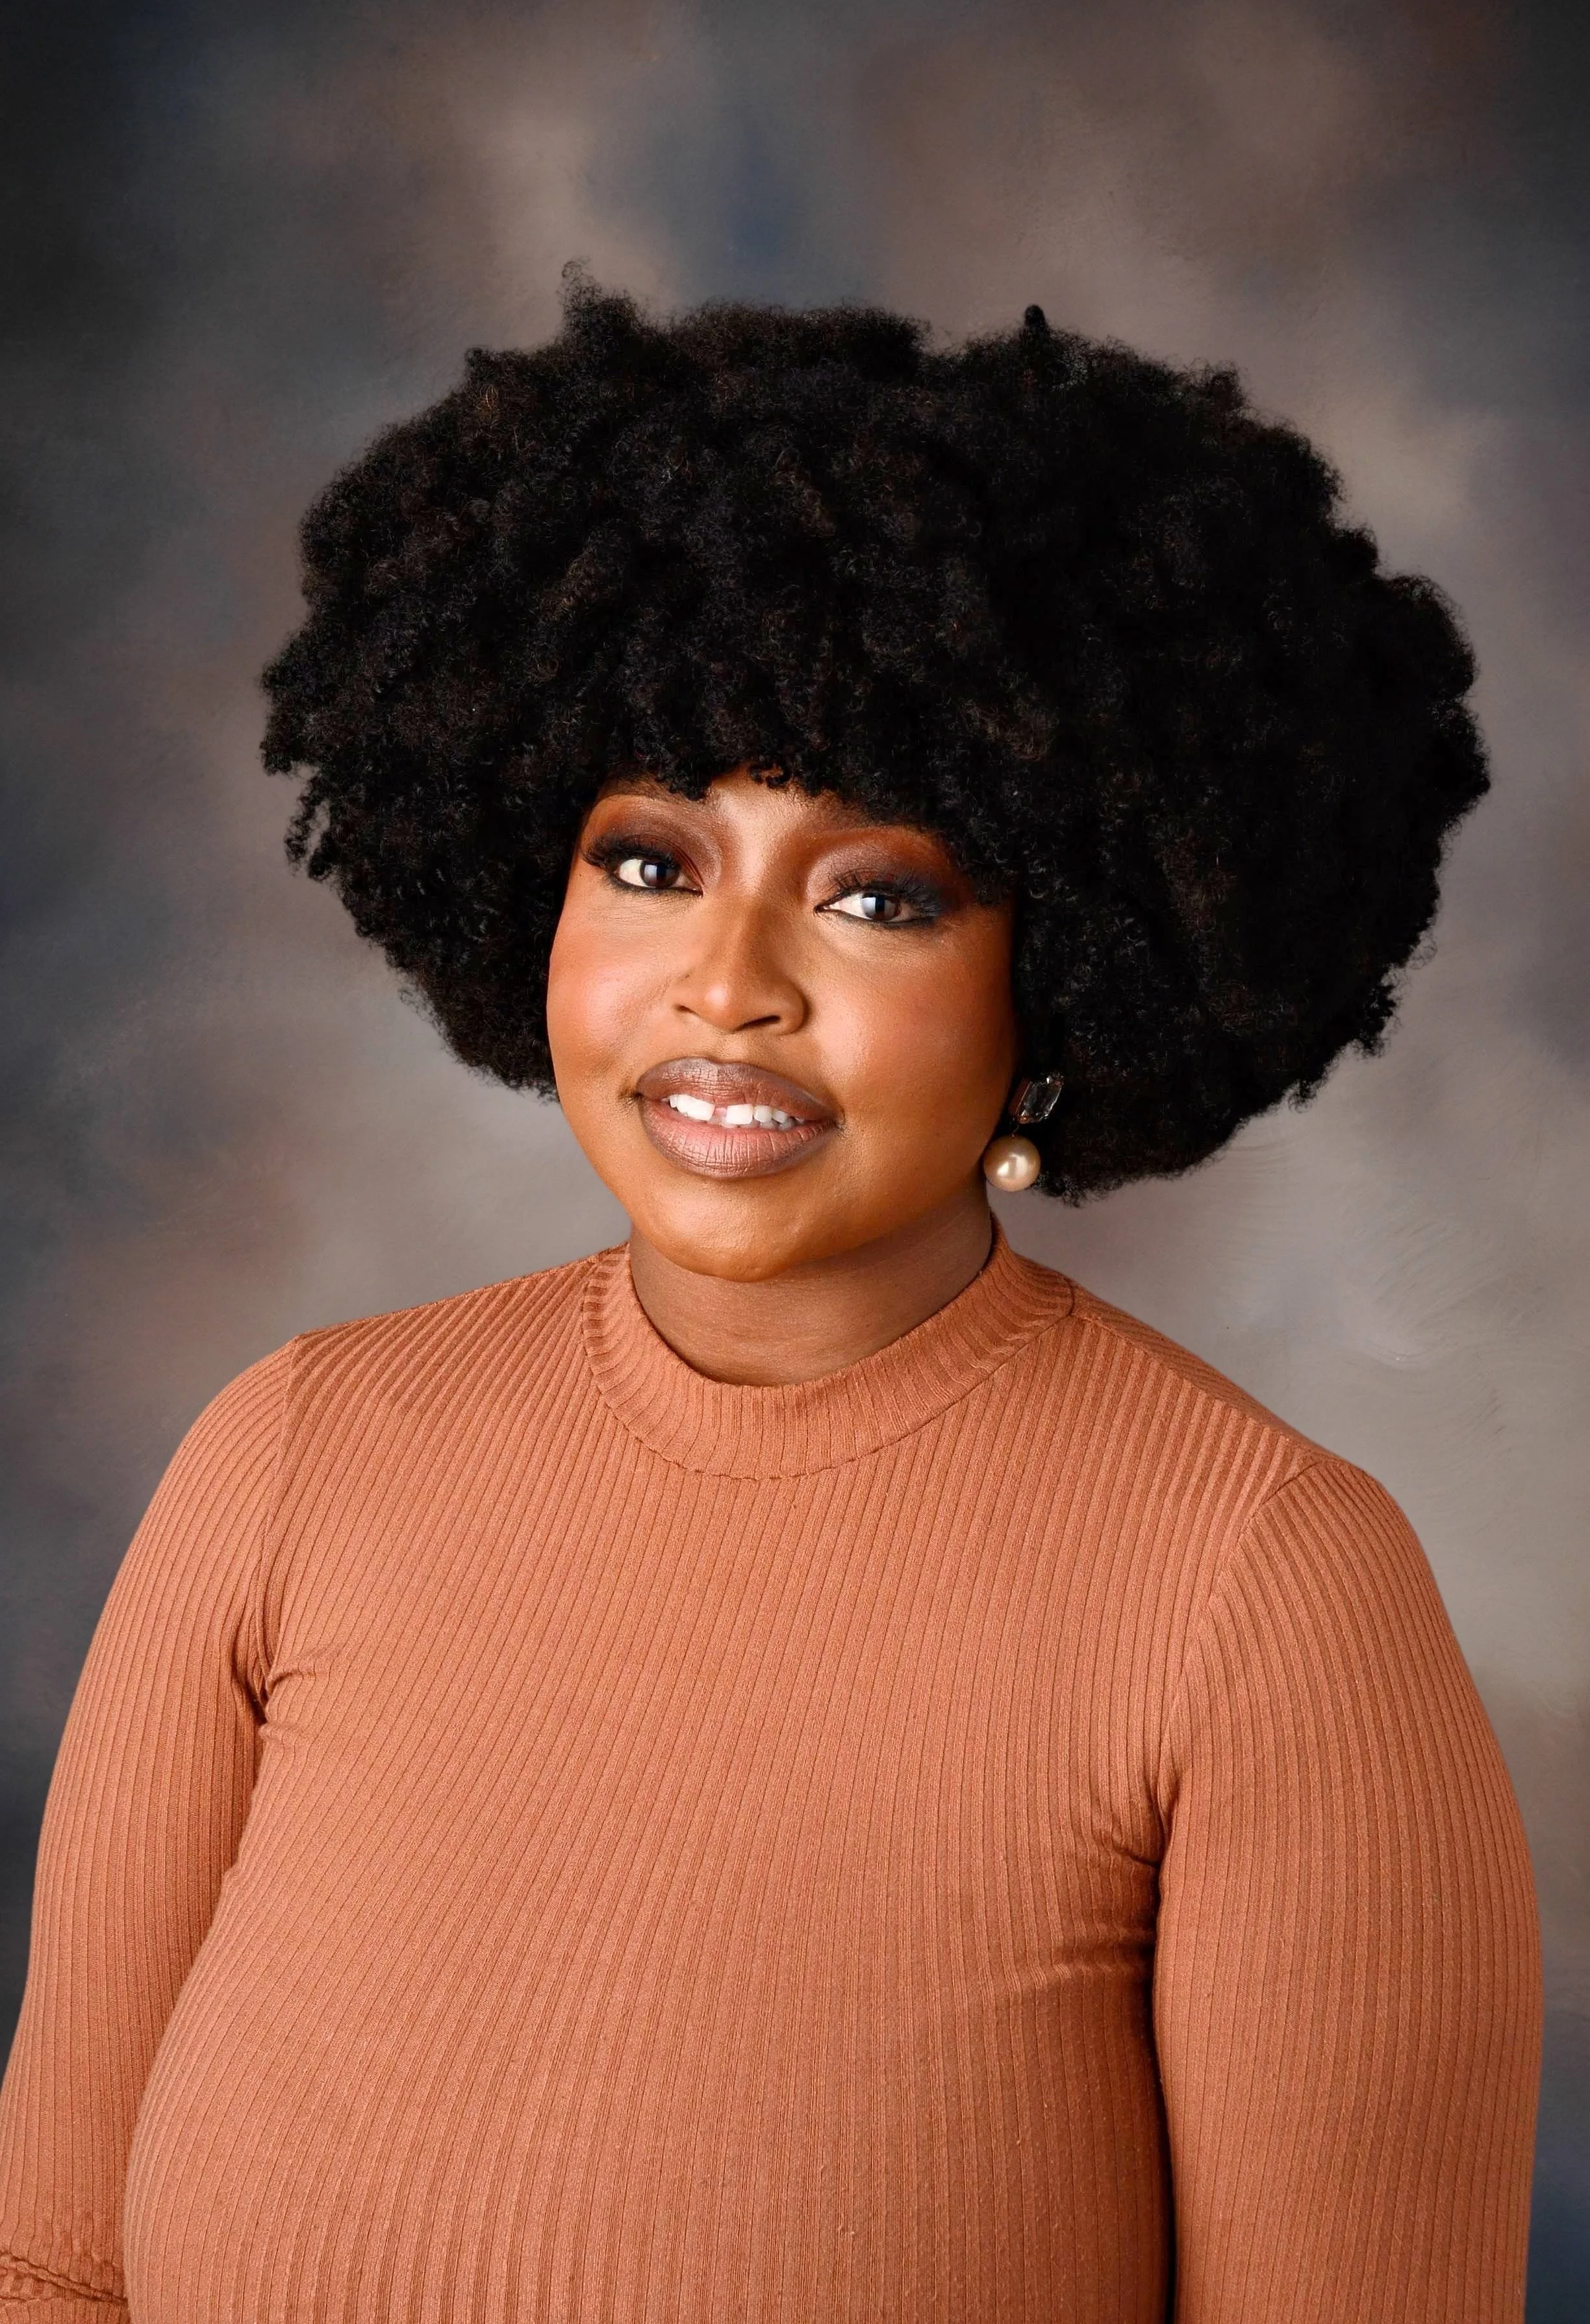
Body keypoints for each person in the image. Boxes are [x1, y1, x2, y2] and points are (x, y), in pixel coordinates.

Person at [0, 284, 1540, 2322]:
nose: (727, 981)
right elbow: (52, 2261)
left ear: (1069, 968)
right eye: (649, 859)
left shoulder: (1265, 1598)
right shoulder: (290, 1458)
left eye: (876, 894)